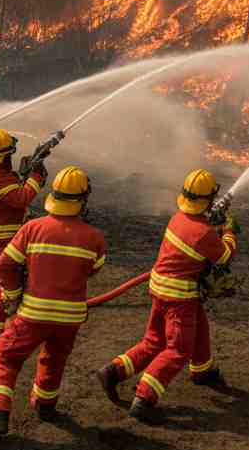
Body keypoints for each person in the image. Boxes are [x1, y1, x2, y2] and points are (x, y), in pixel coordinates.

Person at [0, 166, 106, 438]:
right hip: (71, 316)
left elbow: (6, 265)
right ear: (82, 200)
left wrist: (13, 293)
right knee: (55, 357)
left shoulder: (33, 228)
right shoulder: (95, 237)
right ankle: (45, 404)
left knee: (5, 355)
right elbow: (94, 269)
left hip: (33, 313)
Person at [96, 168, 236, 424]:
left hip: (160, 290)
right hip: (179, 297)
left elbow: (196, 242)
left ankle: (113, 371)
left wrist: (212, 224)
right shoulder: (204, 233)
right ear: (206, 200)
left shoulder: (178, 219)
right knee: (178, 350)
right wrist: (228, 231)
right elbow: (225, 257)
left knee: (154, 341)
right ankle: (145, 396)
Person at [0, 128, 47, 347]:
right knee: (7, 286)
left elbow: (11, 190)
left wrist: (25, 172)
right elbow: (21, 198)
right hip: (3, 238)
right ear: (7, 155)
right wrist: (35, 177)